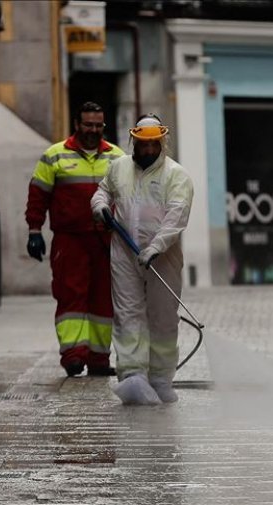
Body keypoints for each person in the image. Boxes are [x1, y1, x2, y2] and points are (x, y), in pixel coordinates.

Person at [91, 114, 194, 405]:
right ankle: (133, 377)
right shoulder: (118, 168)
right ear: (133, 141)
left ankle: (160, 379)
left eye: (153, 144)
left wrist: (156, 247)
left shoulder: (177, 175)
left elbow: (177, 216)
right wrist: (99, 206)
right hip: (124, 253)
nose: (148, 150)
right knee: (128, 315)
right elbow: (102, 191)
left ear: (162, 142)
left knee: (162, 318)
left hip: (163, 258)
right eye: (143, 144)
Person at [25, 102, 124, 377]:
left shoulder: (117, 157)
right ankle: (73, 355)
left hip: (105, 242)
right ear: (77, 124)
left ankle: (98, 359)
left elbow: (129, 198)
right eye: (88, 125)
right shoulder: (54, 156)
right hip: (70, 242)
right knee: (71, 297)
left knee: (103, 302)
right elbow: (38, 194)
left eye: (98, 125)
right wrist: (35, 230)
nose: (93, 130)